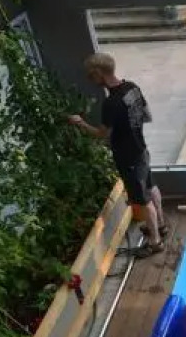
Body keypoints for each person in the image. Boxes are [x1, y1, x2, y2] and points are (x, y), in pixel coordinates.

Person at [68, 53, 166, 258]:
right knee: (151, 186)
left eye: (91, 75)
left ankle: (155, 242)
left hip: (128, 156)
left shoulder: (111, 103)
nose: (90, 79)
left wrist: (80, 123)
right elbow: (147, 116)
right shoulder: (132, 87)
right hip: (141, 148)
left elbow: (101, 134)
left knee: (143, 200)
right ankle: (160, 225)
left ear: (99, 73)